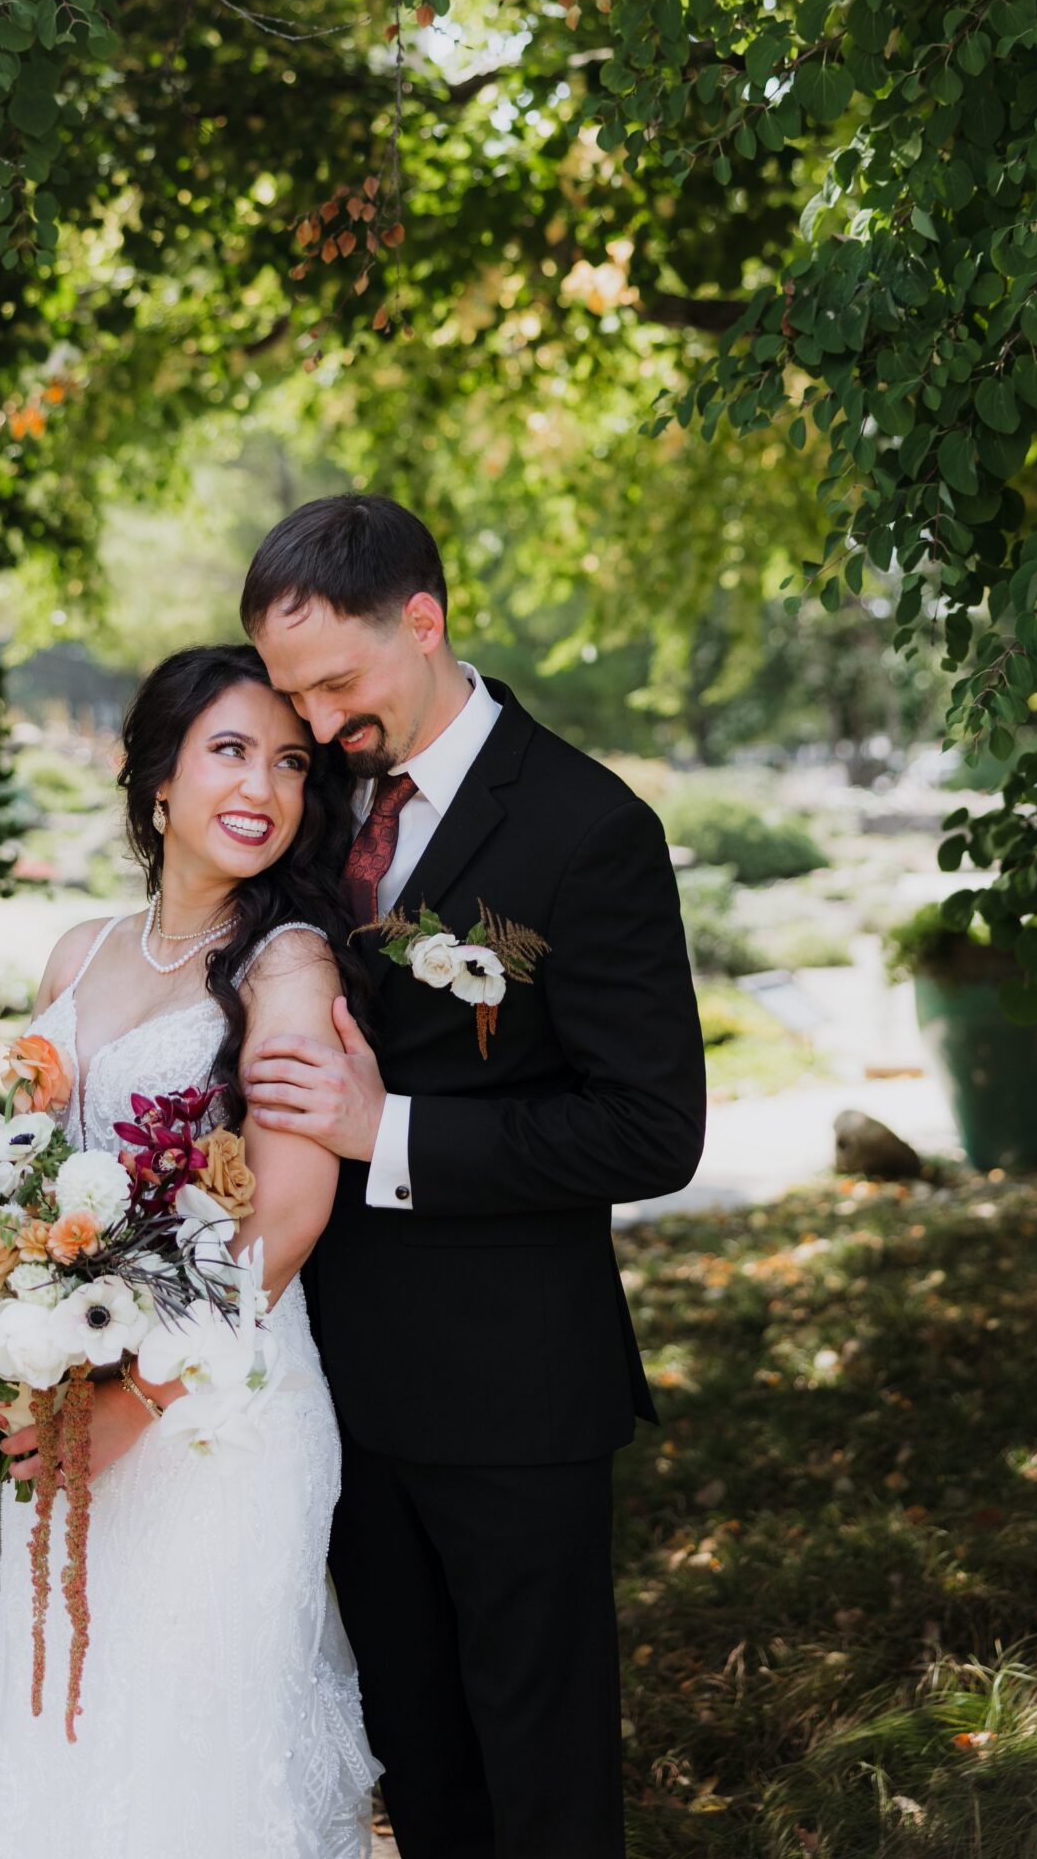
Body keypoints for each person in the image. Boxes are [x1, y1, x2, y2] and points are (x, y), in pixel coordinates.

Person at [241, 495, 706, 1859]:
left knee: (540, 1780)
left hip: (514, 1398)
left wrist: (381, 1136)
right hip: (330, 1385)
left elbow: (646, 1128)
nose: (315, 725)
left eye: (336, 682)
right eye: (288, 694)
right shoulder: (310, 808)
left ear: (424, 621)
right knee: (421, 1774)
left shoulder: (581, 823)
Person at [0, 643, 380, 1858]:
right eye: (232, 750)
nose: (265, 784)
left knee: (201, 1761)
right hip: (66, 1395)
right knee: (75, 1729)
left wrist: (133, 1401)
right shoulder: (77, 952)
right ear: (157, 779)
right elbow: (28, 1184)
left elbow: (289, 1217)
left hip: (217, 1414)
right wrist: (7, 1343)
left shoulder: (287, 963)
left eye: (292, 761)